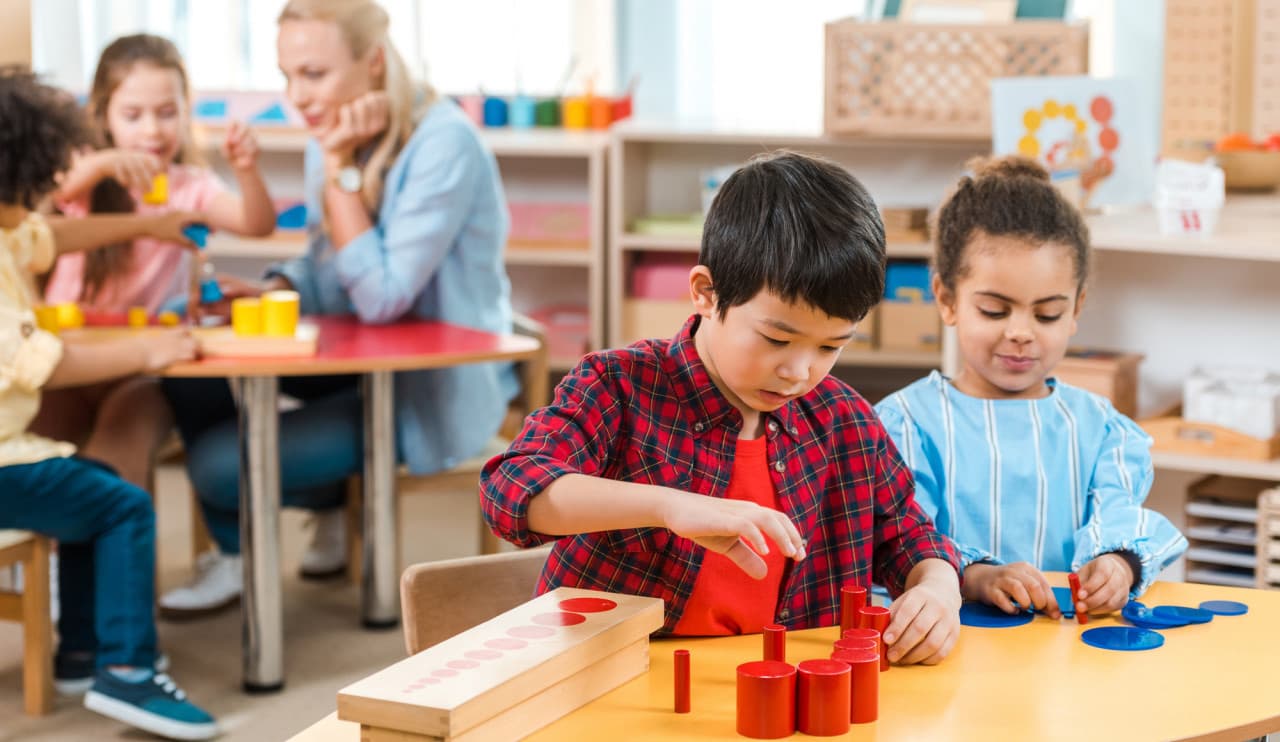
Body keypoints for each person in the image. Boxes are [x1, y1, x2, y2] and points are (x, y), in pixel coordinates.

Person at [481, 151, 963, 665]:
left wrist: (938, 587)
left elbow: (909, 536)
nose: (799, 372)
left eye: (830, 347)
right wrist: (667, 505)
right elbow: (510, 490)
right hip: (614, 685)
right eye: (777, 338)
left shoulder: (843, 420)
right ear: (706, 293)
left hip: (778, 699)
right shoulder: (619, 385)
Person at [158, 0, 516, 617]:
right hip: (355, 361)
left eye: (314, 74)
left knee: (219, 466)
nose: (297, 95)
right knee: (194, 380)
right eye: (287, 74)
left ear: (373, 62)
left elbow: (380, 299)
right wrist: (271, 287)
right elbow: (328, 272)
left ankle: (325, 503)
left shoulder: (443, 144)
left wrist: (341, 167)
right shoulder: (333, 135)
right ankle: (243, 552)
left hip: (426, 388)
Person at [0, 66, 216, 740]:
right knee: (124, 505)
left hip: (10, 453)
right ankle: (128, 672)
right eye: (34, 192)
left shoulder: (7, 228)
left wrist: (152, 225)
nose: (40, 207)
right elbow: (50, 362)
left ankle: (83, 652)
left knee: (93, 485)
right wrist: (149, 353)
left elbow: (51, 237)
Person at [875, 156, 1187, 619]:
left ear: (1076, 308)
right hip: (949, 653)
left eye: (1047, 315)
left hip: (1066, 658)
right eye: (995, 311)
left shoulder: (1099, 428)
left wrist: (1116, 564)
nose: (1022, 332)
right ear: (946, 299)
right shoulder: (906, 424)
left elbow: (1117, 512)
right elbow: (897, 537)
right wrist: (976, 577)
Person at [33, 33, 275, 493]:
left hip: (142, 369)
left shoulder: (191, 186)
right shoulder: (87, 177)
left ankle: (106, 551)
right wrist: (103, 163)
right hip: (70, 361)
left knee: (119, 446)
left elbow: (255, 223)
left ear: (186, 112)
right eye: (132, 115)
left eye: (167, 113)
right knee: (36, 447)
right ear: (103, 116)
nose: (152, 131)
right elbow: (49, 195)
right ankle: (55, 560)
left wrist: (246, 170)